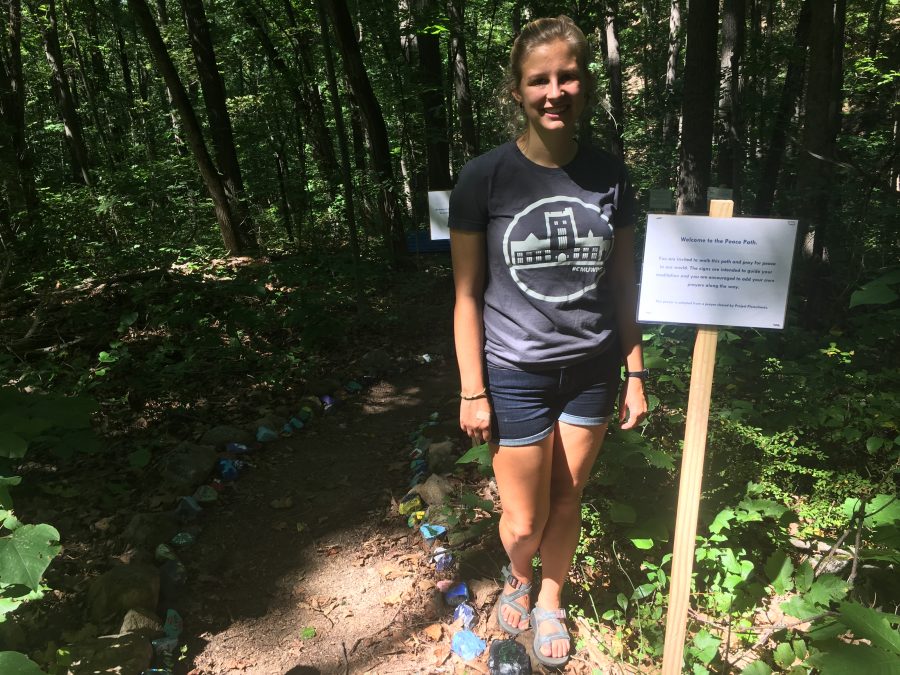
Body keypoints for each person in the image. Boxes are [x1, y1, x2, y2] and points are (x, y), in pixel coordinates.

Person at [448, 15, 648, 668]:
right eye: (540, 80)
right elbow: (466, 294)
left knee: (569, 498)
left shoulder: (611, 176)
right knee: (524, 519)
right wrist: (472, 390)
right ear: (517, 91)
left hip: (592, 370)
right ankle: (518, 573)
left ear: (586, 85)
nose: (554, 90)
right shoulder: (483, 179)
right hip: (513, 373)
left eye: (568, 76)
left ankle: (551, 597)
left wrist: (636, 373)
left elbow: (624, 286)